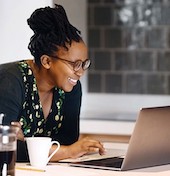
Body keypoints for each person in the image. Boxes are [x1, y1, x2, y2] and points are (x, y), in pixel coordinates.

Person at [0, 4, 105, 161]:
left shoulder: (71, 87)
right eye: (75, 64)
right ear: (47, 61)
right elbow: (4, 147)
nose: (81, 72)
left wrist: (24, 142)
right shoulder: (11, 80)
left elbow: (69, 139)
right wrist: (66, 152)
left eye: (84, 64)